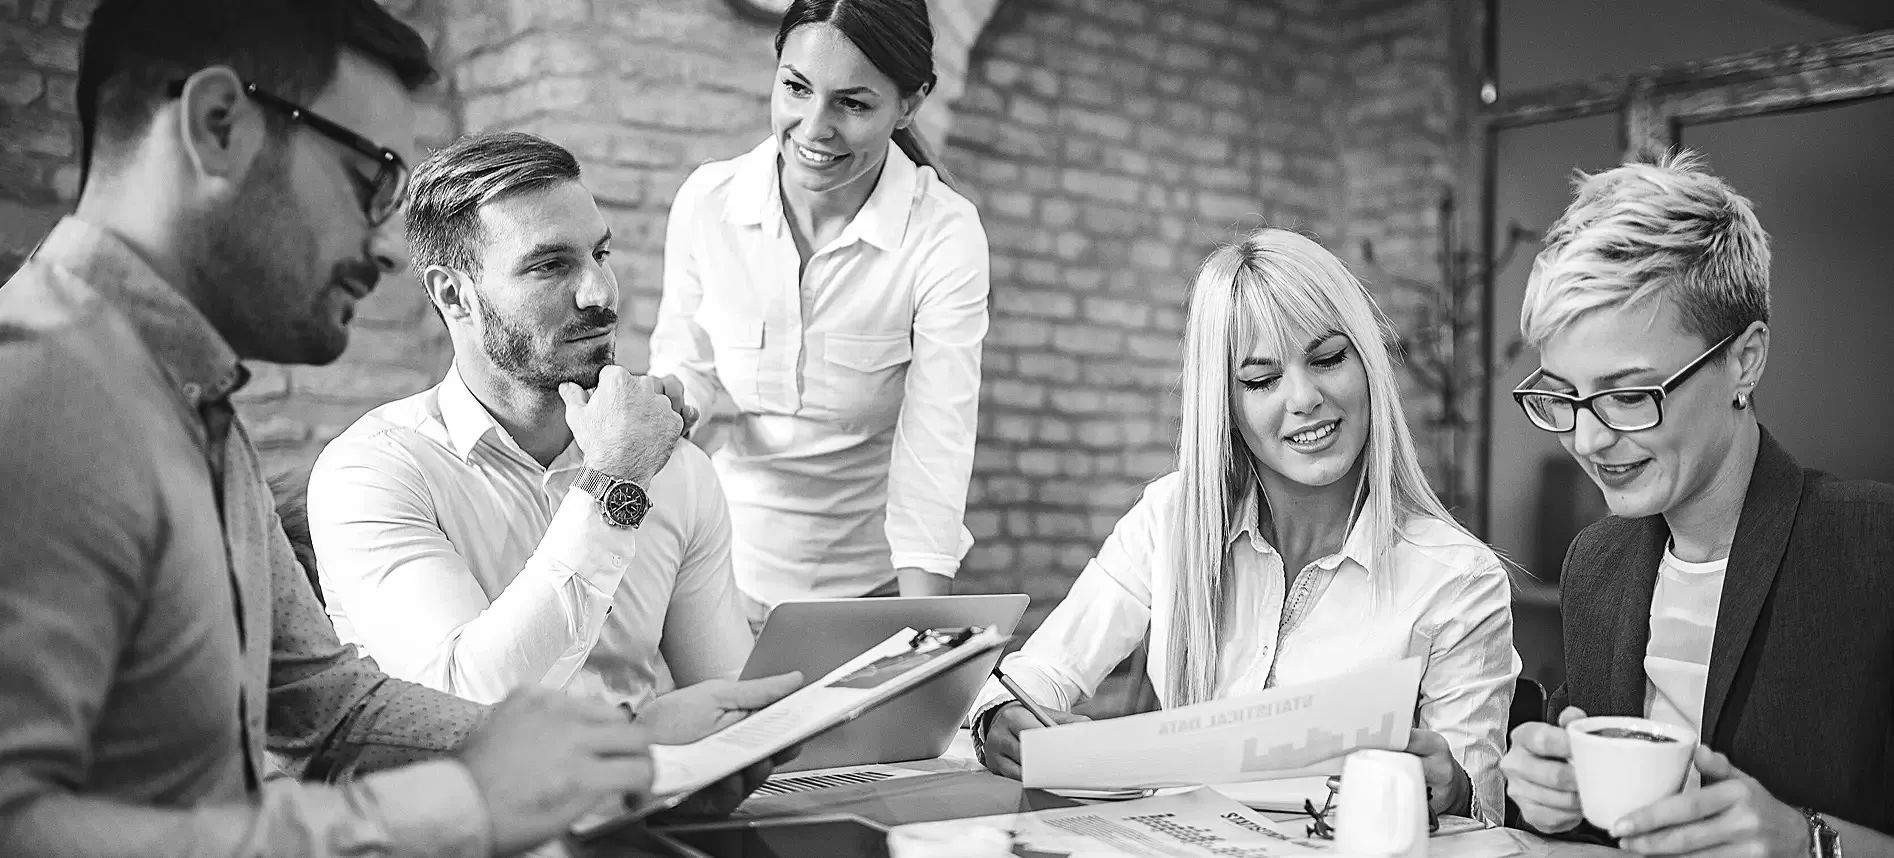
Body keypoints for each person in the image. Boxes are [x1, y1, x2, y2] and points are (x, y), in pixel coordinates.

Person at [0, 3, 789, 855]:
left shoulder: (194, 405)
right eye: (369, 178)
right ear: (218, 125)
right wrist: (460, 806)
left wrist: (621, 745)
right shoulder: (39, 389)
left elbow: (334, 706)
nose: (385, 249)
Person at [970, 228, 1520, 822]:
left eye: (1329, 358)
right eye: (1261, 380)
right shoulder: (1171, 518)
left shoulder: (1458, 578)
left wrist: (1452, 788)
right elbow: (1042, 673)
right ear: (1224, 403)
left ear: (1368, 367)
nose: (1304, 398)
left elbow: (1484, 816)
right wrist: (1000, 718)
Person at [1500, 151, 1893, 855]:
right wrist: (1547, 796)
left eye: (1628, 395)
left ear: (1745, 360)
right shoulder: (1597, 565)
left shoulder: (1874, 547)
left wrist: (1810, 845)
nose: (1589, 439)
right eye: (1563, 395)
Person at [309, 131, 753, 712]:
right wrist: (615, 481)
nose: (599, 294)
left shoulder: (675, 468)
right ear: (454, 294)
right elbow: (465, 702)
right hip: (472, 801)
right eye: (549, 266)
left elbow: (734, 703)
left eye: (600, 255)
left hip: (666, 796)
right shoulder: (374, 471)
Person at [649, 0, 990, 627]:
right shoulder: (708, 202)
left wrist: (916, 639)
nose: (813, 128)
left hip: (869, 589)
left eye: (853, 104)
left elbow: (935, 449)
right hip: (714, 573)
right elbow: (690, 368)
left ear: (909, 104)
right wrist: (670, 402)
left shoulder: (943, 234)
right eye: (796, 88)